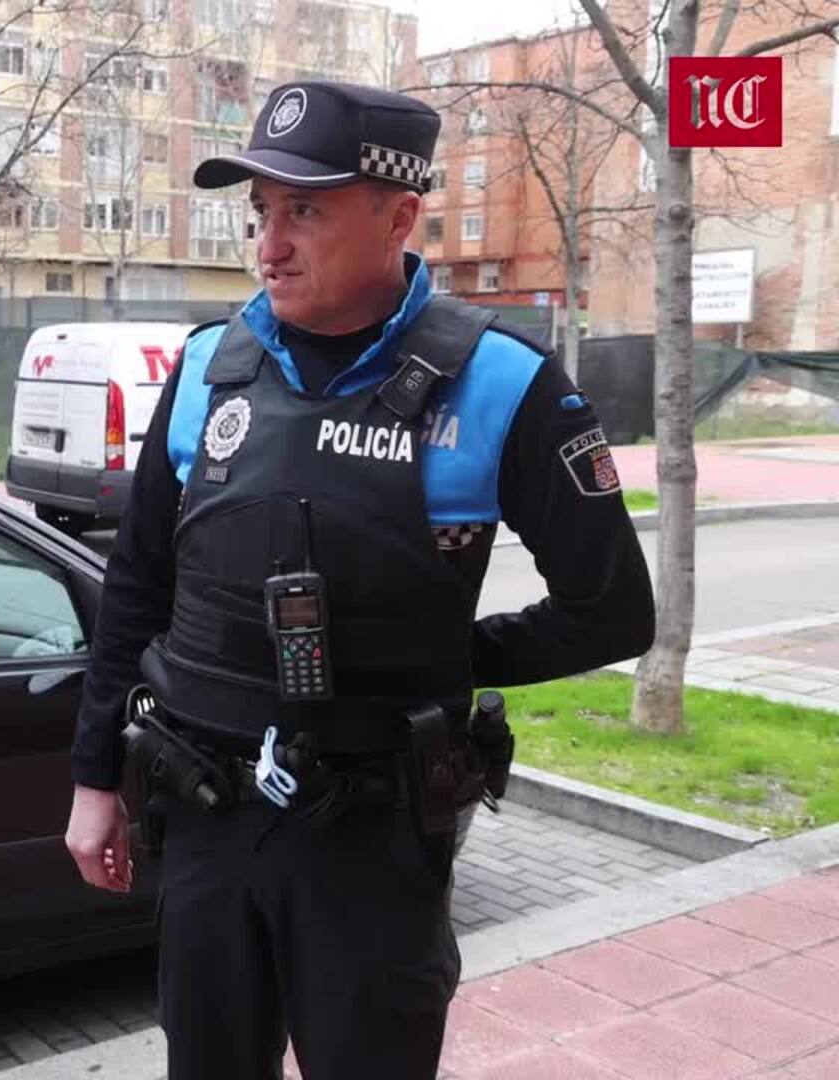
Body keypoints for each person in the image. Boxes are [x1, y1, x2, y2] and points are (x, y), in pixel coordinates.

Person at [62, 81, 655, 1078]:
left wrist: (438, 656)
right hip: (205, 820)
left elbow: (612, 612)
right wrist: (92, 779)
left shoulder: (505, 384)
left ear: (399, 216)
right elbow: (137, 586)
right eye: (260, 212)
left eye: (305, 209)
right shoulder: (209, 367)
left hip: (371, 842)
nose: (269, 243)